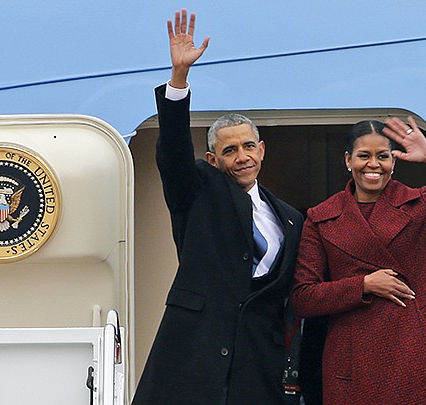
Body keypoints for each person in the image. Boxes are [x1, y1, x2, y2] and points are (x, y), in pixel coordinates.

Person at [131, 9, 304, 405]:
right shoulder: (197, 190)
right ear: (213, 160)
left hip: (257, 364)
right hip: (193, 356)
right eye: (229, 150)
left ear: (261, 151)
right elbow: (172, 155)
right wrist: (179, 81)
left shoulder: (291, 219)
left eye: (247, 146)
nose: (241, 156)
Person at [290, 117, 426, 404]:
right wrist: (364, 285)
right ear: (348, 160)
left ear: (393, 162)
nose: (373, 164)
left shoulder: (420, 205)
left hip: (416, 350)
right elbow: (304, 298)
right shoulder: (321, 217)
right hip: (353, 359)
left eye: (382, 156)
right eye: (364, 156)